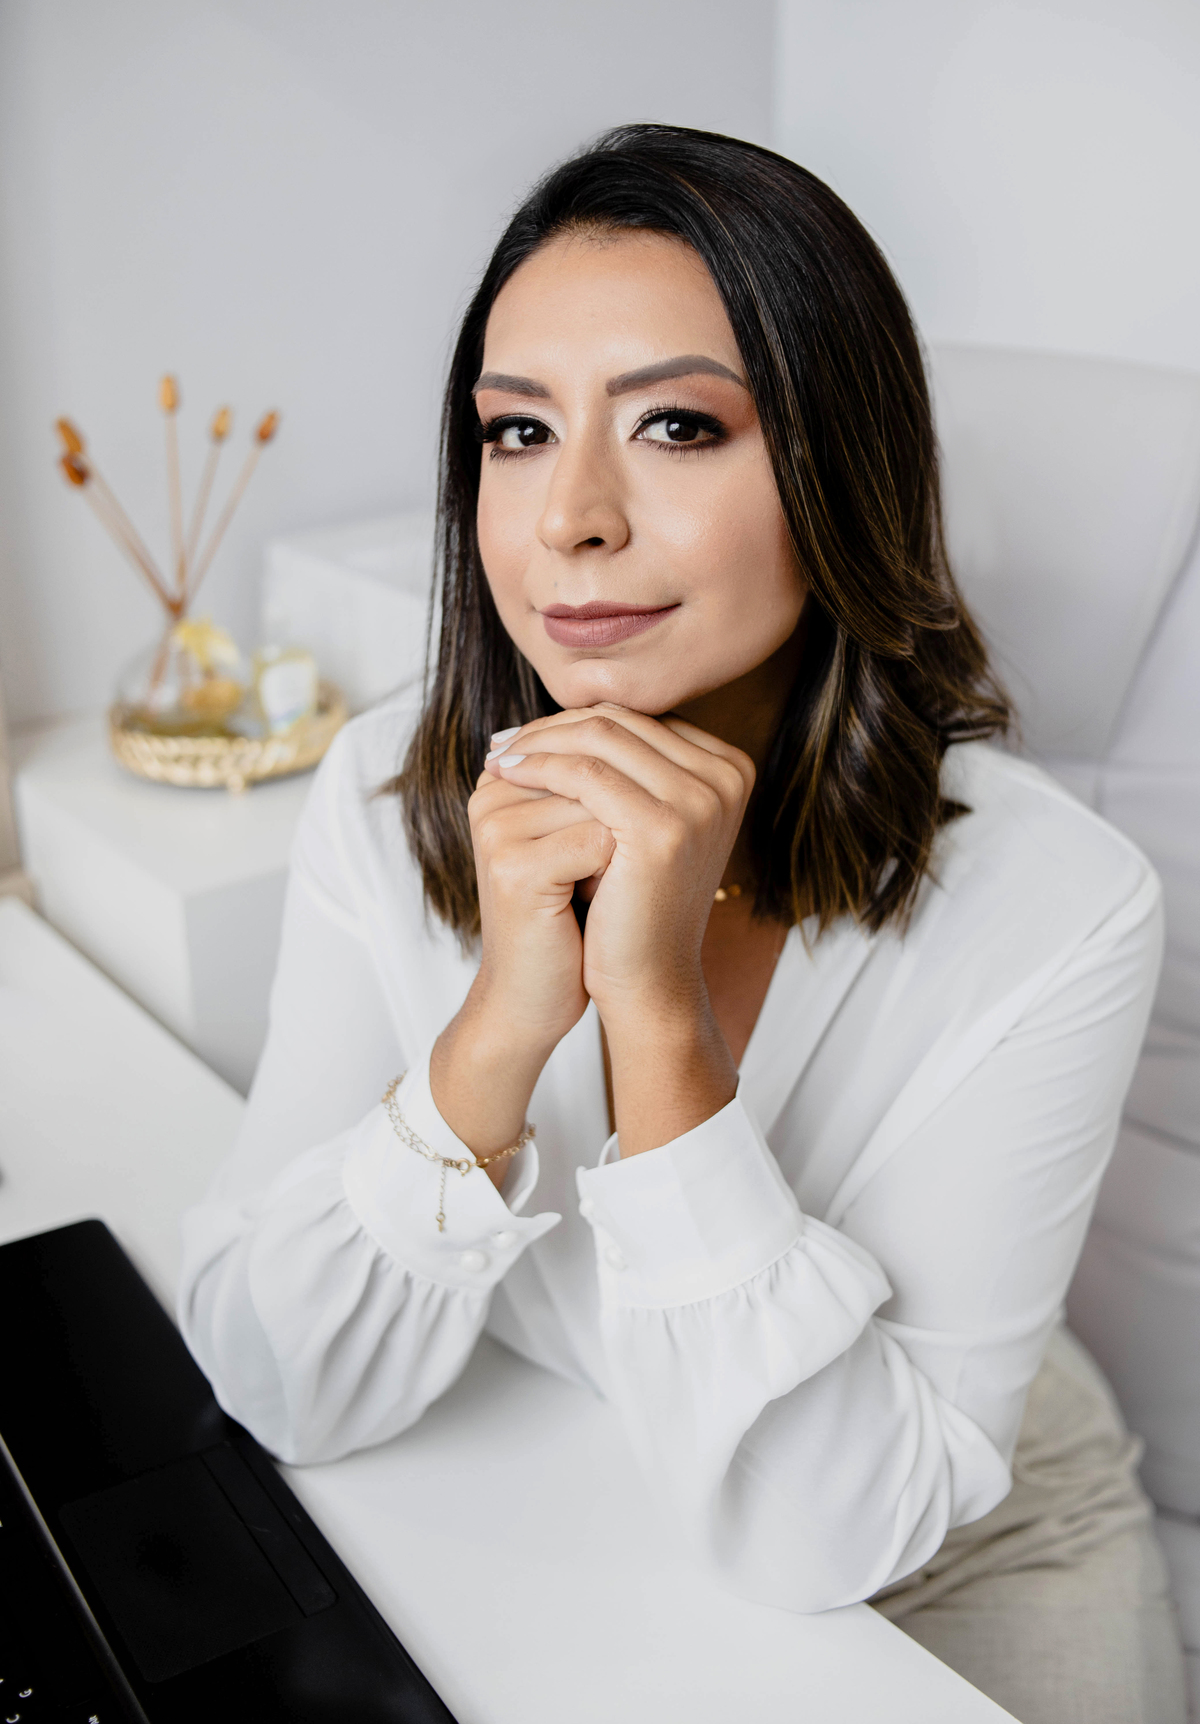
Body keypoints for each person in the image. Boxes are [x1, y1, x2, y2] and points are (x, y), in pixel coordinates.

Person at [179, 125, 1186, 1723]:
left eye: (676, 424)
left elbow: (822, 1533)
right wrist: (503, 1025)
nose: (571, 518)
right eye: (518, 432)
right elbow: (276, 1382)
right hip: (599, 1476)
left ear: (841, 469)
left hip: (945, 1534)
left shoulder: (1059, 901)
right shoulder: (385, 789)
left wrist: (655, 1018)